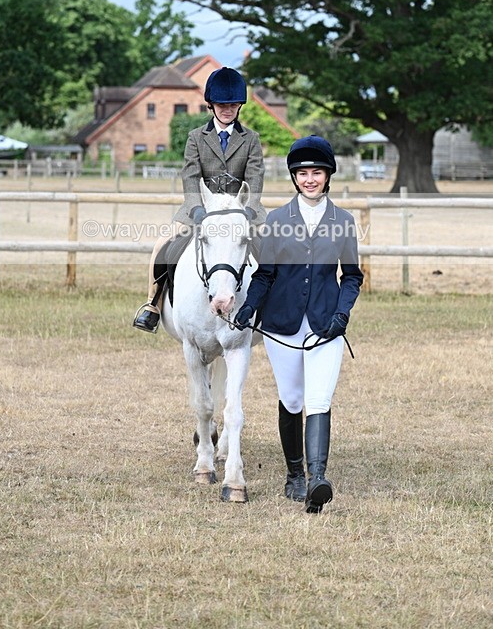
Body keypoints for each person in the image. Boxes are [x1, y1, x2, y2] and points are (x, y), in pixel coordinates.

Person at [233, 135, 363, 513]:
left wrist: (342, 313)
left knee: (319, 399)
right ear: (294, 177)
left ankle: (317, 477)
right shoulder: (276, 220)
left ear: (328, 176)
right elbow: (265, 274)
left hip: (326, 324)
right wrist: (249, 308)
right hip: (282, 325)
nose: (309, 179)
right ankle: (294, 474)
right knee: (292, 400)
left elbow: (352, 275)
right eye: (303, 173)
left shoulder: (343, 221)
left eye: (316, 172)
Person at [134, 66, 266, 333]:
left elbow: (256, 177)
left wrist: (250, 209)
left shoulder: (251, 139)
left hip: (240, 210)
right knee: (162, 244)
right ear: (211, 105)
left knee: (272, 248)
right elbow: (190, 175)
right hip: (201, 208)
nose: (227, 109)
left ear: (240, 105)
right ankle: (153, 303)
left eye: (233, 104)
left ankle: (276, 306)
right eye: (222, 104)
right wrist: (195, 208)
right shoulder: (196, 137)